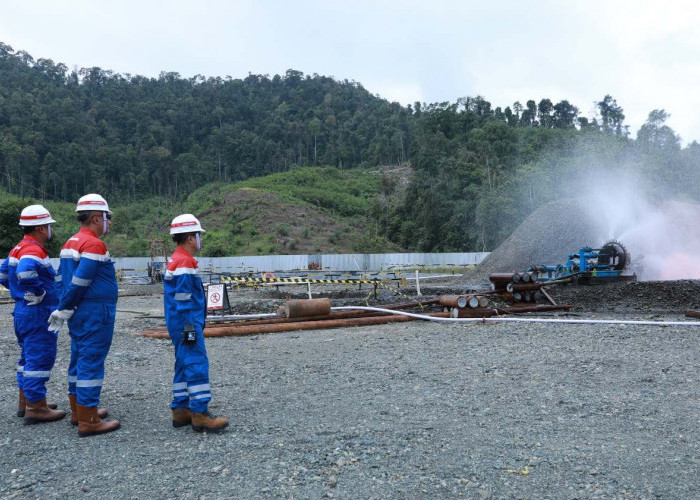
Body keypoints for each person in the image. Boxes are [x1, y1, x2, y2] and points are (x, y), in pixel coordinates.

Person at [49, 194, 119, 437]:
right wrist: (67, 303)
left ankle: (78, 411)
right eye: (107, 218)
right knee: (91, 362)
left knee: (79, 358)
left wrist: (65, 306)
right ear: (97, 217)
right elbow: (81, 280)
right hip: (95, 311)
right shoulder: (93, 244)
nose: (108, 222)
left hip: (80, 311)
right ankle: (88, 420)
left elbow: (61, 279)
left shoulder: (70, 243)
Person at [0, 205, 65, 424]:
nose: (50, 230)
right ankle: (36, 407)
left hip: (23, 311)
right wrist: (39, 291)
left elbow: (3, 276)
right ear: (40, 228)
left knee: (27, 358)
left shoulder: (16, 248)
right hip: (37, 312)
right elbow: (25, 272)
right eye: (49, 226)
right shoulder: (33, 250)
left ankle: (26, 401)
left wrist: (20, 293)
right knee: (40, 357)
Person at [164, 214, 228, 432]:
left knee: (183, 363)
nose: (200, 239)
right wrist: (190, 328)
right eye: (198, 235)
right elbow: (183, 299)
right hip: (186, 323)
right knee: (196, 363)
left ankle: (180, 410)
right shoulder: (185, 261)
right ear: (190, 238)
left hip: (180, 323)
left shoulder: (177, 258)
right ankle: (200, 413)